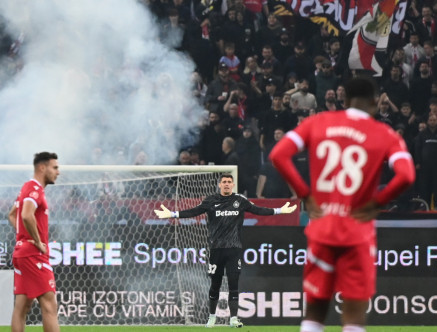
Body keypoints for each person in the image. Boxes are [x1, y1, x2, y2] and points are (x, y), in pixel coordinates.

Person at [268, 76, 415, 332]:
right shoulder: (385, 134)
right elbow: (407, 175)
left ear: (344, 100)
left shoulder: (317, 122)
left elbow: (278, 155)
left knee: (314, 311)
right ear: (374, 103)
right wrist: (377, 203)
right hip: (357, 231)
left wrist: (305, 194)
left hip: (322, 227)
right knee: (354, 316)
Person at [155, 173, 296, 327]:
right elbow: (194, 211)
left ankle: (234, 319)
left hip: (234, 249)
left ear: (233, 185)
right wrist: (172, 214)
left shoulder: (239, 200)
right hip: (216, 250)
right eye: (224, 182)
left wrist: (279, 211)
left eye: (230, 182)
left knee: (233, 283)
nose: (227, 184)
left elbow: (258, 210)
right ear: (220, 185)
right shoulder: (210, 201)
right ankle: (212, 317)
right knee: (215, 284)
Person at [7, 152, 61, 332]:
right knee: (49, 306)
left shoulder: (26, 187)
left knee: (21, 307)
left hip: (22, 252)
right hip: (33, 254)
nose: (58, 172)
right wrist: (37, 242)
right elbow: (26, 215)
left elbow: (12, 215)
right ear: (42, 167)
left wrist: (22, 237)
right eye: (55, 167)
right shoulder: (35, 189)